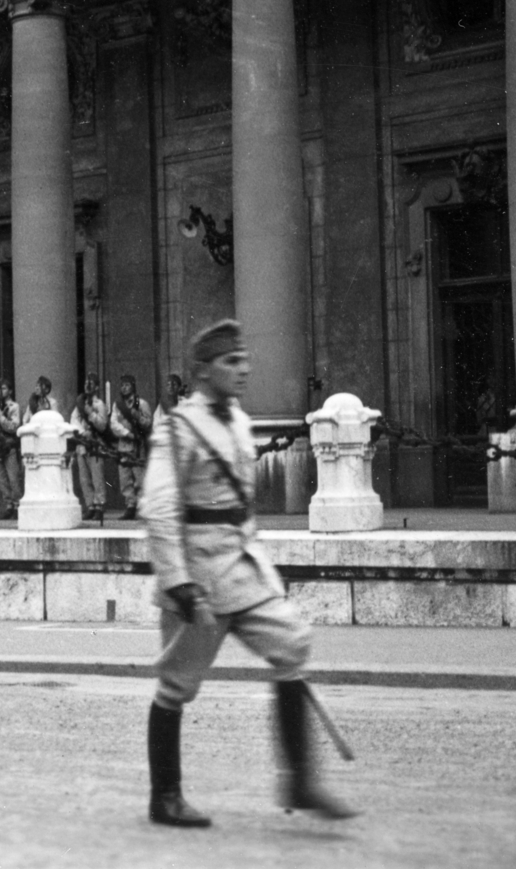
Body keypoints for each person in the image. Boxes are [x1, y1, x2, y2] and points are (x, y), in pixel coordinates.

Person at [140, 319, 356, 828]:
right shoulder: (177, 428)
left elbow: (241, 506)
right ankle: (164, 796)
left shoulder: (238, 420)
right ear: (202, 371)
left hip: (242, 568)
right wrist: (178, 582)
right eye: (230, 362)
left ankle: (300, 780)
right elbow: (160, 509)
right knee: (177, 685)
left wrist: (260, 566)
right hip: (197, 580)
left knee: (292, 643)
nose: (244, 368)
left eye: (243, 359)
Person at [110, 374, 154, 521]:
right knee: (125, 479)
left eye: (127, 385)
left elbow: (148, 423)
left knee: (140, 478)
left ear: (133, 386)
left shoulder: (142, 404)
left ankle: (143, 507)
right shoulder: (117, 405)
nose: (124, 387)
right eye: (122, 385)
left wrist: (137, 417)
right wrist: (127, 433)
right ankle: (130, 506)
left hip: (138, 446)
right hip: (124, 444)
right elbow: (114, 424)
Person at [70, 373, 113, 519]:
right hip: (82, 444)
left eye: (91, 383)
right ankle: (90, 505)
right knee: (84, 478)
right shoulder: (79, 406)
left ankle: (99, 505)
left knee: (97, 477)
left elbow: (102, 425)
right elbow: (73, 421)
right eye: (86, 383)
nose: (87, 386)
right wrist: (82, 433)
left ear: (96, 387)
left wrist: (91, 414)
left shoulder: (99, 405)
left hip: (95, 445)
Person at [0, 380, 24, 519]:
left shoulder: (14, 407)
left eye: (4, 388)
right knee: (2, 479)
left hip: (9, 445)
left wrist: (1, 416)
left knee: (13, 477)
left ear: (10, 391)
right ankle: (9, 506)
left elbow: (13, 426)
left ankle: (17, 506)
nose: (0, 391)